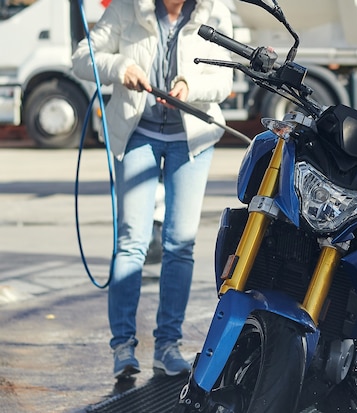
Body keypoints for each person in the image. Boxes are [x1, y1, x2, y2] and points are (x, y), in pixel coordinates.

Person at [72, 0, 233, 380]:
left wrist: (188, 86)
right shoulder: (126, 9)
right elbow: (82, 59)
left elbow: (225, 83)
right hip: (137, 135)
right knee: (132, 241)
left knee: (180, 244)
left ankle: (167, 346)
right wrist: (119, 67)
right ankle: (123, 347)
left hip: (191, 139)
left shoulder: (215, 12)